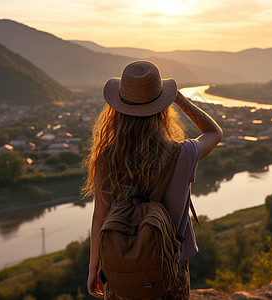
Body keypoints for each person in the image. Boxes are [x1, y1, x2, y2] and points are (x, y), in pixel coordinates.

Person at [84, 60, 223, 299]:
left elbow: (100, 217)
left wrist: (93, 268)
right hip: (170, 270)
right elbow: (214, 132)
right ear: (163, 109)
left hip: (119, 269)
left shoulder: (106, 158)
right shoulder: (183, 154)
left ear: (117, 111)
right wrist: (180, 99)